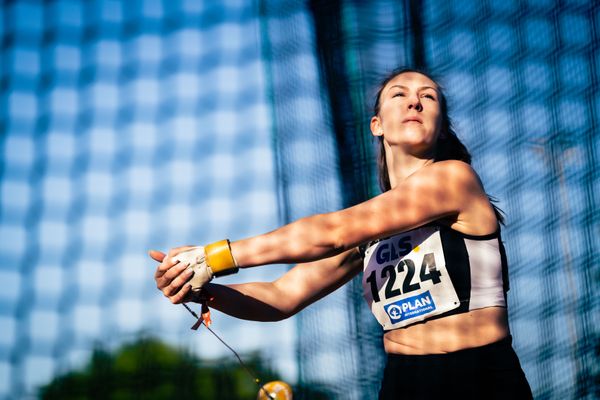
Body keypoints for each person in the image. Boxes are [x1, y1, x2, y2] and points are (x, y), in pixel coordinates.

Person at [149, 68, 533, 399]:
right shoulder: (373, 229)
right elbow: (282, 296)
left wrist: (212, 257)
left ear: (440, 124)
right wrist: (200, 286)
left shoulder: (453, 179)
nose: (414, 102)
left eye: (428, 97)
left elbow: (332, 232)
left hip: (481, 378)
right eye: (399, 95)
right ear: (376, 124)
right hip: (404, 383)